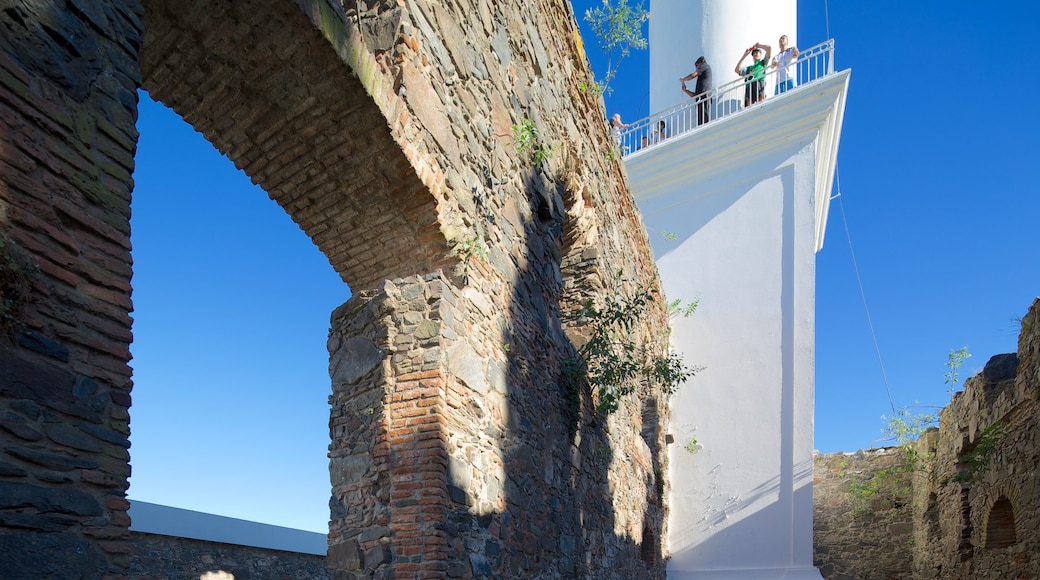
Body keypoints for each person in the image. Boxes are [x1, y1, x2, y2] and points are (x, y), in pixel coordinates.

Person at [734, 42, 771, 106]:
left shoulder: (763, 63)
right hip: (750, 85)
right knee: (749, 103)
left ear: (761, 55)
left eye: (757, 52)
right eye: (753, 53)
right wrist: (745, 55)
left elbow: (769, 49)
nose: (755, 54)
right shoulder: (749, 68)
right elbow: (737, 70)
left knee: (761, 100)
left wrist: (759, 45)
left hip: (759, 83)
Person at [680, 56, 713, 126]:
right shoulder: (701, 80)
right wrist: (686, 90)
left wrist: (683, 79)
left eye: (696, 65)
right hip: (700, 98)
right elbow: (695, 96)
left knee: (703, 117)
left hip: (705, 96)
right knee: (701, 119)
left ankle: (705, 129)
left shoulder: (705, 66)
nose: (696, 68)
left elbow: (692, 75)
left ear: (701, 62)